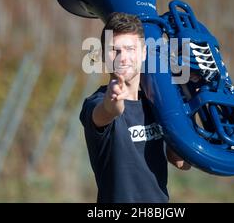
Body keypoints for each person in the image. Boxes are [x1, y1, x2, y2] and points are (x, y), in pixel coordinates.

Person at [79, 12, 191, 203]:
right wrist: (113, 100)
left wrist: (188, 104)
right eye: (115, 50)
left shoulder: (157, 103)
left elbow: (182, 162)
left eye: (130, 49)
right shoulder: (96, 102)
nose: (123, 58)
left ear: (144, 52)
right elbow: (109, 111)